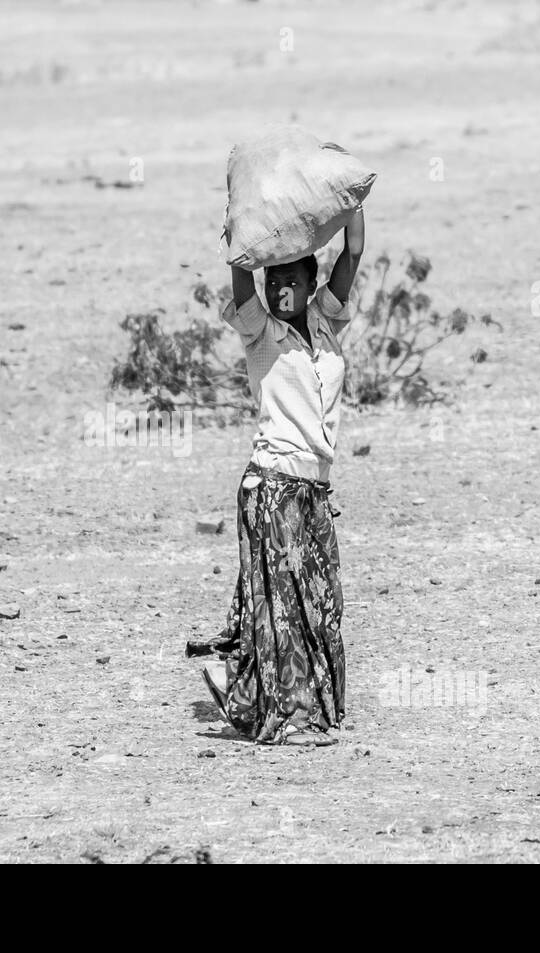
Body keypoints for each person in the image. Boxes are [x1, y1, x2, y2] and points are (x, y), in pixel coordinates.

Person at [201, 209, 364, 746]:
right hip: (272, 488)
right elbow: (240, 276)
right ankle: (290, 718)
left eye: (292, 280)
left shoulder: (325, 323)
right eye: (275, 282)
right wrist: (242, 224)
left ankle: (258, 693)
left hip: (313, 492)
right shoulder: (259, 332)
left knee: (321, 604)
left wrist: (351, 202)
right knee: (285, 611)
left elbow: (353, 253)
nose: (282, 291)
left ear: (310, 282)